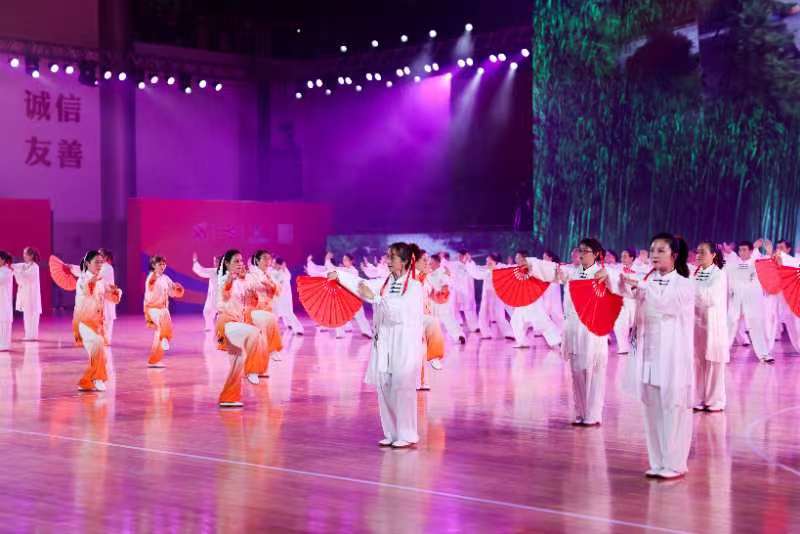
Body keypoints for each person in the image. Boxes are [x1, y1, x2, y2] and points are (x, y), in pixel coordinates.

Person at [330, 242, 424, 448]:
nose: (387, 260)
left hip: (403, 341)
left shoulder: (414, 287)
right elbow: (362, 285)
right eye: (387, 256)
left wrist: (376, 298)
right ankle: (391, 432)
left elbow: (399, 312)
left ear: (404, 261)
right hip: (384, 339)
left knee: (401, 386)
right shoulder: (384, 283)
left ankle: (407, 434)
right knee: (384, 384)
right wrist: (339, 276)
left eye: (392, 257)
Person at [623, 233, 694, 479]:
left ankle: (675, 464)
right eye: (652, 250)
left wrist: (643, 287)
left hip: (673, 358)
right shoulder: (647, 281)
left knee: (673, 408)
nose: (654, 255)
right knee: (651, 409)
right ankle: (657, 461)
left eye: (661, 250)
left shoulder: (685, 284)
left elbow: (667, 306)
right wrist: (617, 282)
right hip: (649, 354)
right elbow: (626, 290)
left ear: (674, 255)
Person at [559, 238, 621, 427]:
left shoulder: (602, 273)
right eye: (580, 250)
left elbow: (619, 281)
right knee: (577, 372)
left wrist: (608, 274)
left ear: (596, 254)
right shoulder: (573, 273)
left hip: (593, 330)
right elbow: (552, 272)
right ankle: (580, 412)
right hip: (574, 329)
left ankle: (593, 415)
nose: (581, 254)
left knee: (594, 372)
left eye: (585, 251)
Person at [215, 249, 270, 407]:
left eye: (241, 261)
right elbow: (225, 290)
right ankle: (252, 369)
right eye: (236, 261)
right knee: (254, 333)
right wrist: (231, 279)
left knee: (236, 363)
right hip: (226, 323)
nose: (240, 264)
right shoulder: (224, 279)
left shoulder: (242, 281)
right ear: (227, 264)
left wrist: (251, 289)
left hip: (237, 324)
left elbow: (254, 299)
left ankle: (228, 398)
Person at [72, 250, 122, 392]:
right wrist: (91, 283)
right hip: (84, 322)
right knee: (98, 345)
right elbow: (86, 291)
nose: (100, 265)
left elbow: (111, 297)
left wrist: (115, 291)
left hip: (97, 323)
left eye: (101, 262)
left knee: (100, 353)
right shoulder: (82, 279)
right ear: (87, 263)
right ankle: (98, 378)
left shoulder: (101, 281)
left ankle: (86, 382)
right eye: (96, 262)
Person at [692, 241, 729, 412]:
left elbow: (710, 298)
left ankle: (715, 400)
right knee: (698, 363)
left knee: (714, 363)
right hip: (698, 325)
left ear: (713, 255)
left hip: (713, 326)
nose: (698, 255)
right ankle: (700, 398)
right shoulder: (696, 273)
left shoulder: (719, 275)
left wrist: (690, 290)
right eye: (697, 252)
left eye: (703, 252)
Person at [143, 256, 185, 368]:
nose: (162, 266)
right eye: (159, 264)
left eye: (163, 264)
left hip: (163, 309)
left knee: (160, 334)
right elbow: (151, 286)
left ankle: (154, 361)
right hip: (153, 309)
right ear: (153, 265)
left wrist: (177, 289)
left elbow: (172, 292)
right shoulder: (151, 277)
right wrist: (153, 279)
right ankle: (164, 337)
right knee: (163, 320)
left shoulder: (166, 278)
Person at [11, 247, 42, 341]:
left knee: (33, 314)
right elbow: (15, 266)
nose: (24, 256)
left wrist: (16, 271)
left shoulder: (35, 267)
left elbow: (26, 276)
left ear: (31, 256)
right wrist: (10, 266)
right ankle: (29, 334)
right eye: (23, 253)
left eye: (25, 254)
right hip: (26, 294)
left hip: (32, 294)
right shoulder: (24, 265)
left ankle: (33, 335)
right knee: (27, 314)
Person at [192, 253, 219, 332]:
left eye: (217, 261)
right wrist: (195, 261)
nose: (215, 263)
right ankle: (209, 326)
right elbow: (201, 271)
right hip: (213, 296)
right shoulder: (213, 271)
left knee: (223, 314)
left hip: (223, 297)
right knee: (207, 311)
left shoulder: (225, 272)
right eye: (214, 261)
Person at [98, 249, 118, 345]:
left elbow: (98, 277)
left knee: (108, 318)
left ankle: (106, 339)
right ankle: (104, 338)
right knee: (103, 318)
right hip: (102, 296)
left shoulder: (107, 267)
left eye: (100, 255)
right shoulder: (101, 267)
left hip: (107, 296)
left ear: (105, 257)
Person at [0, 251, 13, 351]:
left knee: (4, 322)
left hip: (4, 302)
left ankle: (4, 345)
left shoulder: (6, 271)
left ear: (3, 260)